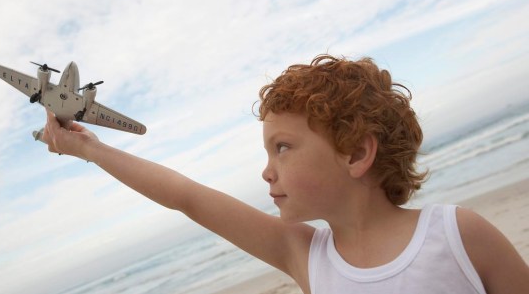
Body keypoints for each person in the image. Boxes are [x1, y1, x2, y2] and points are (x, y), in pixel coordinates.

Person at [42, 54, 529, 294]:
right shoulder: (307, 257)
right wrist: (93, 150)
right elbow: (185, 196)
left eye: (283, 148)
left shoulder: (457, 233)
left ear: (356, 153)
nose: (266, 171)